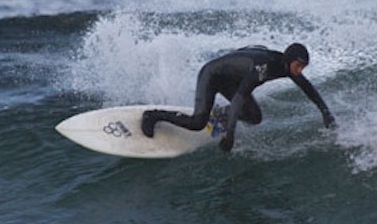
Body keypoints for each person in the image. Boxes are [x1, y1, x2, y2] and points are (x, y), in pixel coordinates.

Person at [142, 43, 335, 152]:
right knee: (198, 122)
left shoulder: (286, 66)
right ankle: (153, 115)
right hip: (211, 75)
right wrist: (230, 134)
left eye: (303, 68)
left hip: (231, 80)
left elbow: (307, 88)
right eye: (298, 66)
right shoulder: (264, 68)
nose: (300, 71)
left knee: (254, 117)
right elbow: (239, 99)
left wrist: (326, 113)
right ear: (290, 60)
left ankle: (218, 115)